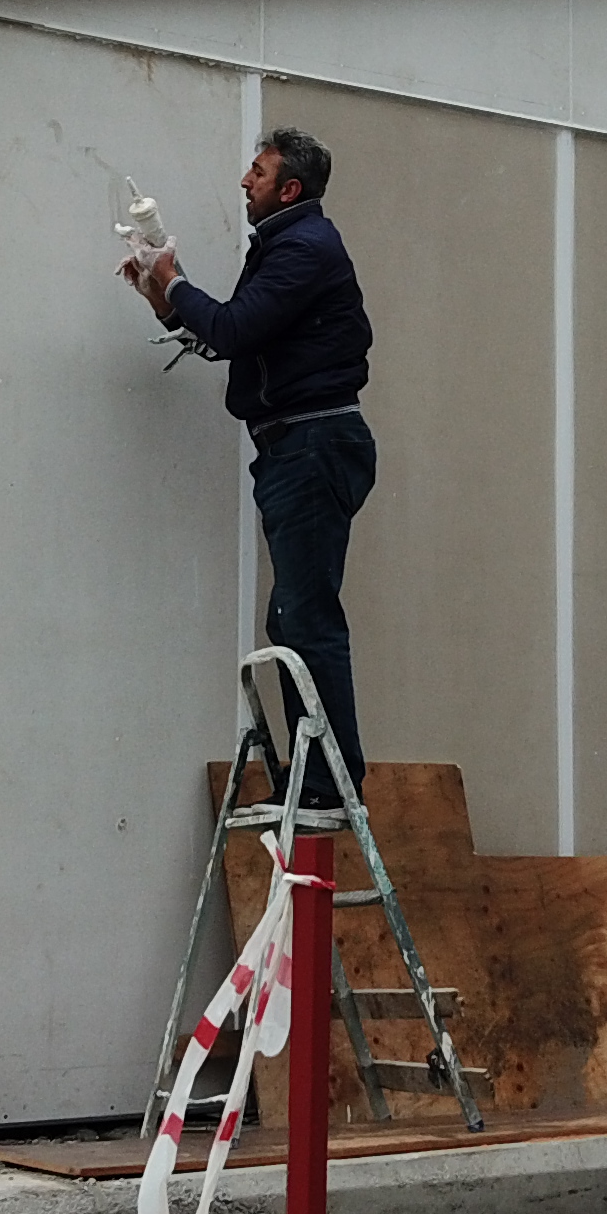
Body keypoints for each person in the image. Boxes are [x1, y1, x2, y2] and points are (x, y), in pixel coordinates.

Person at [125, 127, 377, 775]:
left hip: (313, 443)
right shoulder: (286, 245)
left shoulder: (304, 248)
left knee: (306, 618)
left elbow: (234, 329)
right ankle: (317, 775)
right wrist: (161, 297)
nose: (245, 181)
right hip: (298, 444)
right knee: (293, 619)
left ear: (289, 187)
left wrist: (175, 280)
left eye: (258, 173)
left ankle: (326, 781)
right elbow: (228, 339)